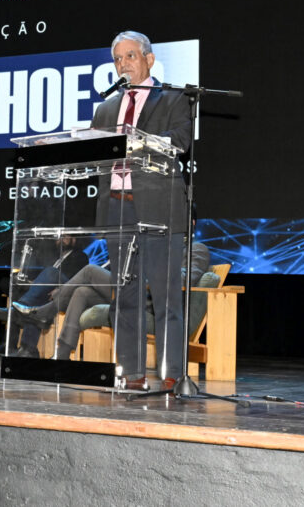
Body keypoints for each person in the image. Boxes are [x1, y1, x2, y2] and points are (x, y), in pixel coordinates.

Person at [91, 30, 192, 391]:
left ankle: (171, 373)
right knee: (126, 297)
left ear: (149, 59)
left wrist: (140, 142)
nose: (123, 64)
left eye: (130, 56)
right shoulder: (105, 109)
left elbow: (181, 141)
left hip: (160, 209)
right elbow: (94, 158)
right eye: (118, 59)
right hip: (118, 210)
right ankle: (131, 374)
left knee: (165, 297)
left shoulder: (174, 98)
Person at [14, 242, 211, 362]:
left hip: (152, 302)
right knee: (82, 292)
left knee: (90, 271)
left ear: (190, 223)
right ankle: (62, 354)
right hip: (134, 292)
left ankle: (46, 312)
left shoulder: (197, 249)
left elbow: (186, 278)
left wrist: (150, 274)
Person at [0, 236, 89, 358]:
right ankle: (18, 347)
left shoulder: (81, 256)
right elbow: (44, 277)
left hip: (67, 290)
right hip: (47, 291)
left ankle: (17, 310)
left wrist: (61, 289)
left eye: (67, 236)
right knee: (20, 289)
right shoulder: (55, 257)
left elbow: (78, 279)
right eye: (60, 237)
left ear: (75, 240)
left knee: (51, 272)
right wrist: (33, 283)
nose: (63, 239)